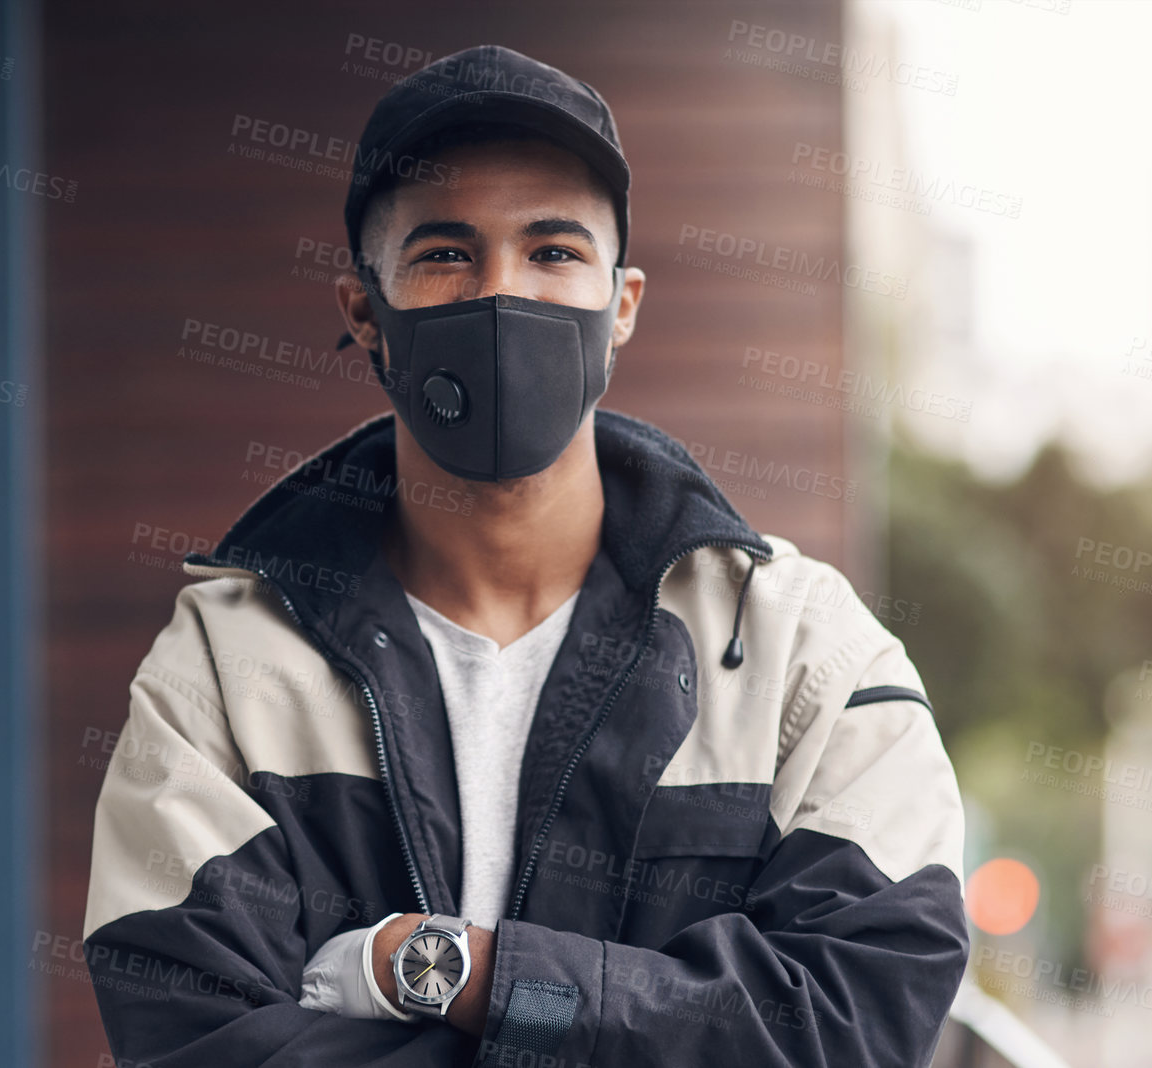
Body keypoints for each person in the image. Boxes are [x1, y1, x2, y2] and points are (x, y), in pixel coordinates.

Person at [82, 43, 968, 1067]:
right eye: (444, 254)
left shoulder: (806, 657)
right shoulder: (225, 667)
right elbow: (190, 1033)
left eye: (552, 253)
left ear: (621, 304)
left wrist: (458, 968)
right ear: (364, 314)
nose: (501, 297)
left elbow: (857, 1016)